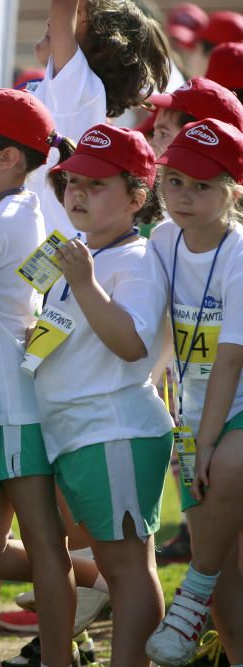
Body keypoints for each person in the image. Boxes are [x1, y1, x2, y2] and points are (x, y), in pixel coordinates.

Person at [37, 124, 171, 666]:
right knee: (115, 567)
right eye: (71, 181)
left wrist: (87, 284)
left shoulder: (133, 260)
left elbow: (132, 345)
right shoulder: (82, 253)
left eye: (95, 184)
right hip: (79, 431)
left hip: (113, 429)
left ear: (137, 198)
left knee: (127, 570)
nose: (77, 192)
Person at [0, 88, 79, 667]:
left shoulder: (4, 220)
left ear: (8, 158)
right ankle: (101, 569)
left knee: (39, 546)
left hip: (14, 410)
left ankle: (61, 653)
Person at [145, 118, 243, 667]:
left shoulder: (239, 253)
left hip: (233, 410)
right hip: (192, 413)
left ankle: (190, 596)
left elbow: (230, 358)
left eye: (202, 186)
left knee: (228, 466)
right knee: (221, 561)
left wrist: (203, 445)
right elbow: (155, 329)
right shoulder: (161, 239)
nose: (183, 195)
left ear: (232, 191)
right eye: (175, 180)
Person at [26, 0, 170, 239]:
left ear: (101, 49)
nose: (52, 22)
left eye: (78, 15)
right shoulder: (74, 95)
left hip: (45, 253)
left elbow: (62, 6)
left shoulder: (79, 91)